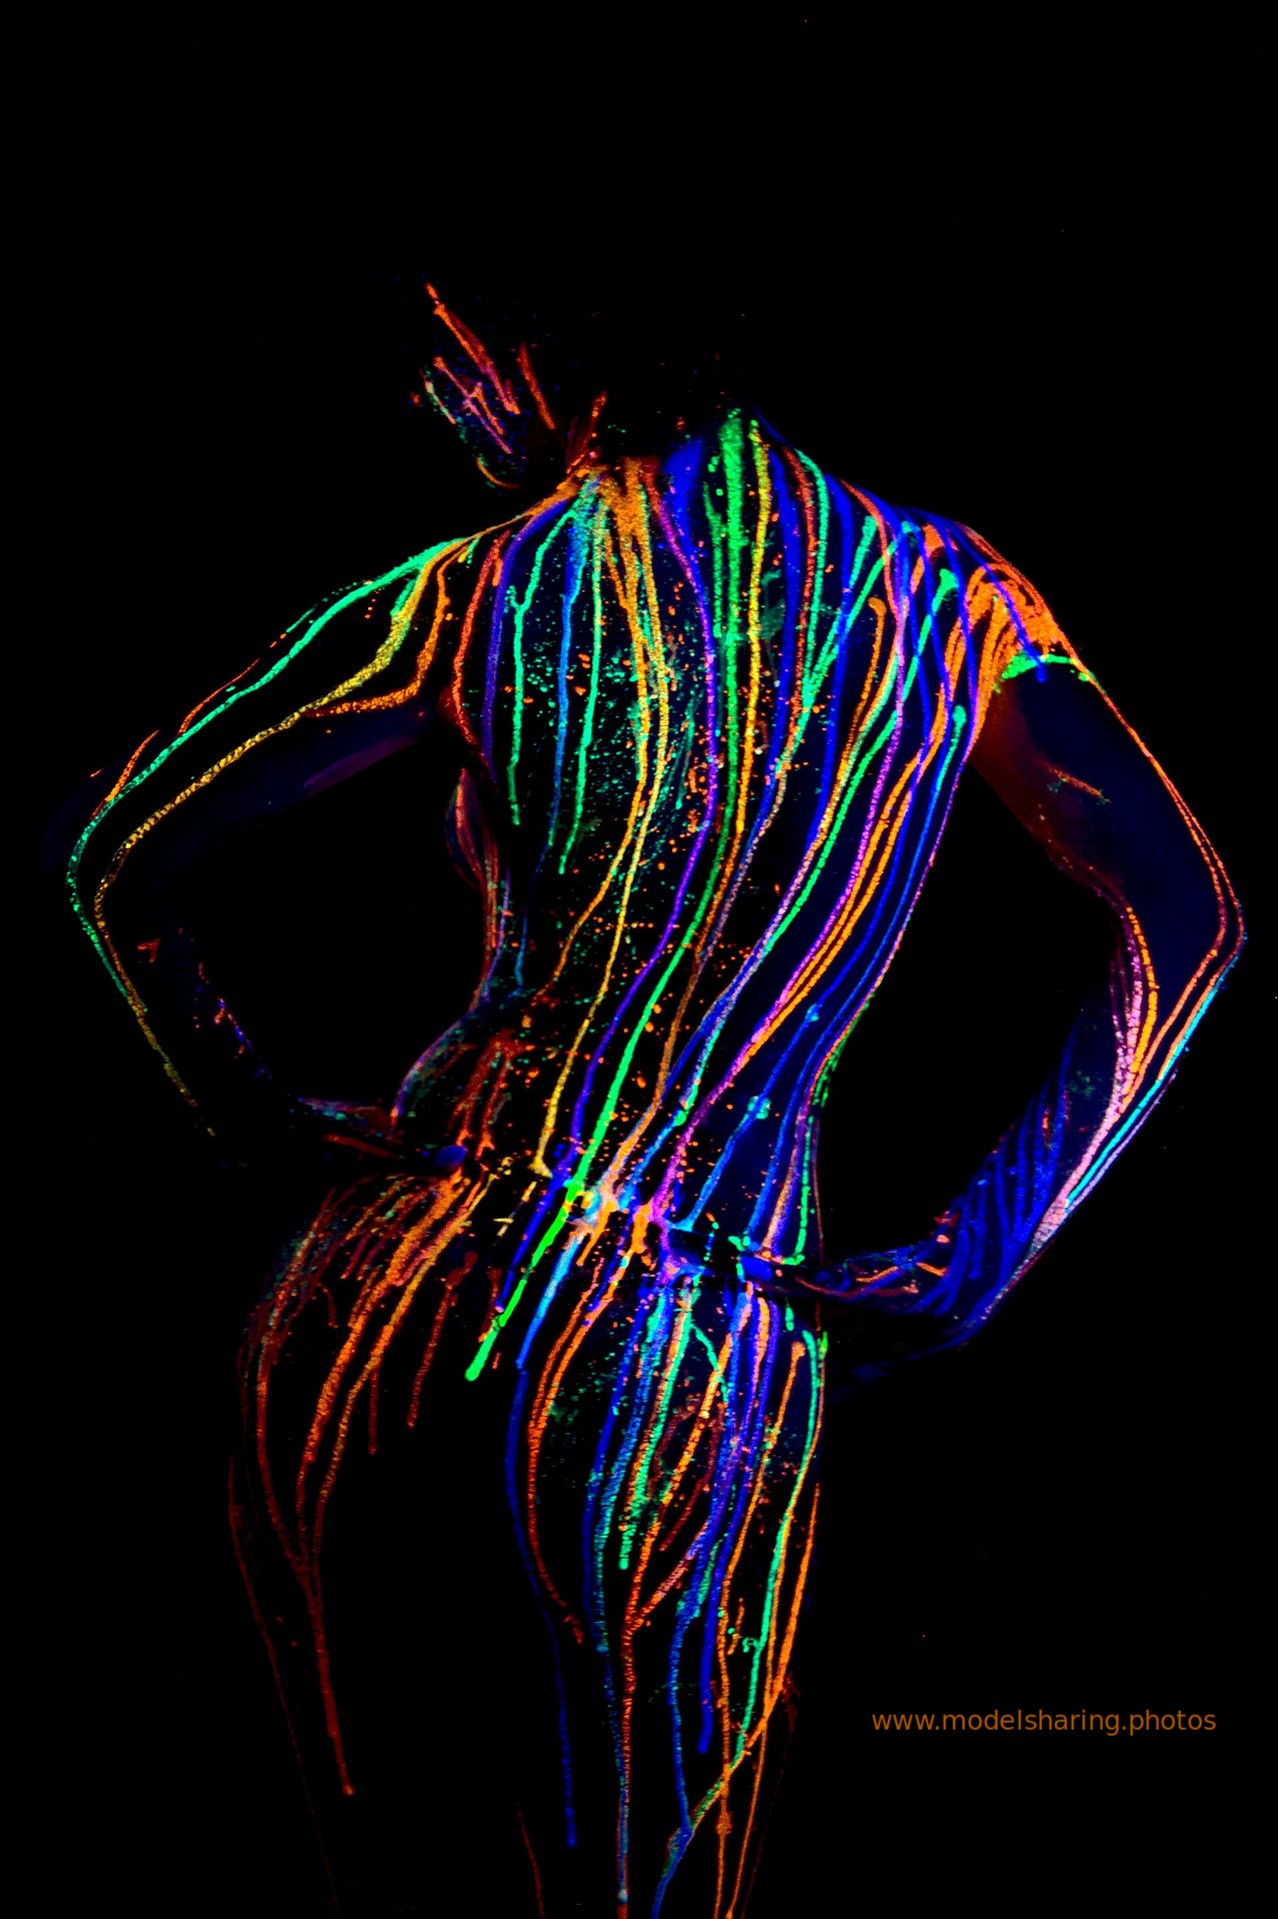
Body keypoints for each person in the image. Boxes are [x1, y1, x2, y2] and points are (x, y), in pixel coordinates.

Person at [61, 285, 1243, 1916]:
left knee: (380, 1870)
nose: (437, 393)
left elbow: (118, 859)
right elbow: (1185, 913)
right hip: (684, 1319)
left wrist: (244, 1108)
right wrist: (984, 1238)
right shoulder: (937, 593)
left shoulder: (481, 586)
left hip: (386, 1285)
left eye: (453, 342)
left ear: (544, 334)